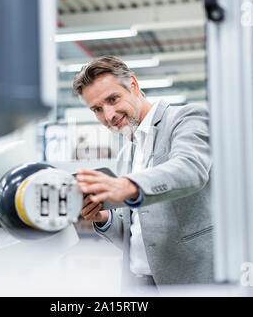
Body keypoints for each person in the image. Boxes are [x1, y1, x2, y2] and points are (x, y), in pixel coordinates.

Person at [73, 55, 213, 293]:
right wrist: (103, 218)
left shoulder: (185, 119)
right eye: (97, 109)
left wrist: (128, 186)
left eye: (113, 99)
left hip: (190, 281)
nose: (109, 115)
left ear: (133, 85)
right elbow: (137, 233)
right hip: (140, 284)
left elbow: (190, 168)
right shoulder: (126, 153)